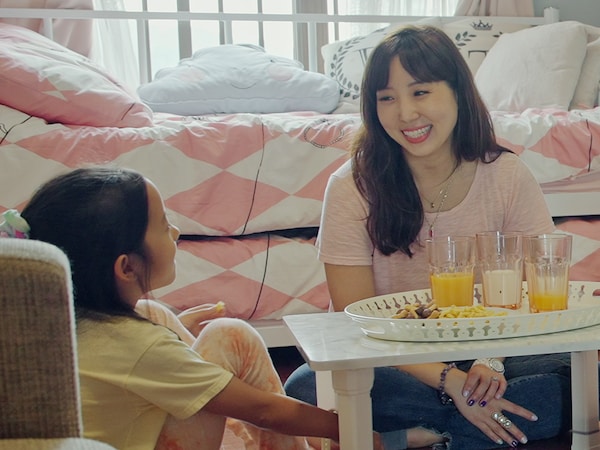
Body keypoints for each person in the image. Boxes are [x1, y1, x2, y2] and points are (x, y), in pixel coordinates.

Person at [284, 25, 573, 450]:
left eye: (420, 92)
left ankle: (423, 437)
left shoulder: (507, 174)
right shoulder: (352, 185)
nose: (405, 114)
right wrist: (449, 381)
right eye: (387, 98)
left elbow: (535, 295)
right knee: (308, 386)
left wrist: (487, 363)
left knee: (582, 377)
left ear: (457, 91)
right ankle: (473, 431)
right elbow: (352, 317)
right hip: (392, 357)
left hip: (492, 355)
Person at [2, 166, 388, 450]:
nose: (175, 233)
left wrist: (170, 331)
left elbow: (125, 366)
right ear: (126, 266)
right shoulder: (141, 347)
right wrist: (346, 426)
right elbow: (265, 411)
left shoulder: (53, 325)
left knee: (161, 316)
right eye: (163, 225)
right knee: (230, 335)